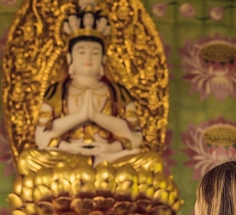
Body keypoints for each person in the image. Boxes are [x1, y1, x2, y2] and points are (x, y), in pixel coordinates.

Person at [17, 31, 163, 176]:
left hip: (109, 156)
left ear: (103, 59)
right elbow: (41, 138)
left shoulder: (117, 93)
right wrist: (80, 118)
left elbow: (135, 138)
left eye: (95, 52)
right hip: (69, 155)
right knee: (27, 160)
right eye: (81, 52)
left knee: (153, 161)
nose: (88, 57)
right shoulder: (57, 92)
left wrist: (99, 122)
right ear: (70, 58)